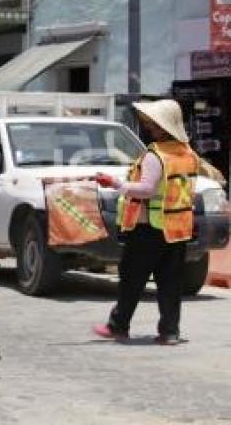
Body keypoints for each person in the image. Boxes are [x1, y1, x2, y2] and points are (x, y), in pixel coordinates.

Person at [94, 99, 199, 345]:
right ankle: (170, 332)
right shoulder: (187, 154)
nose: (147, 125)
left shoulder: (156, 156)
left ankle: (118, 325)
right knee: (170, 283)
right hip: (177, 229)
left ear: (162, 126)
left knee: (132, 278)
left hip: (148, 228)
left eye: (151, 123)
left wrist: (117, 184)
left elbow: (146, 189)